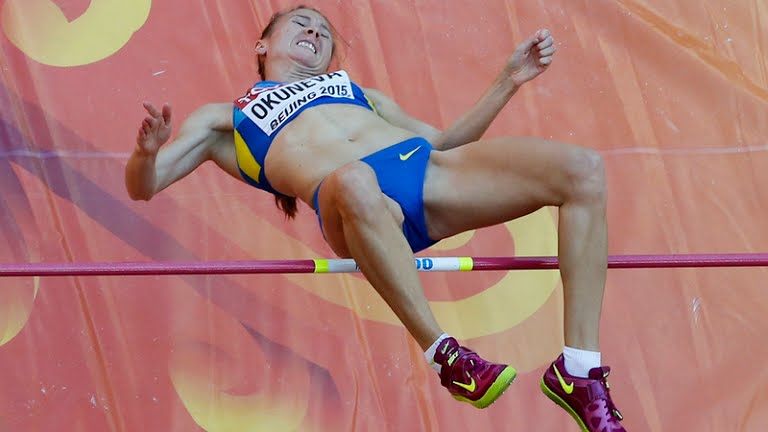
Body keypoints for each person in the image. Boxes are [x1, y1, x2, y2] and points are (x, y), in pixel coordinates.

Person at [125, 5, 626, 431]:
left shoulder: (358, 93)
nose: (314, 32)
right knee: (354, 178)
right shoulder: (226, 118)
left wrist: (507, 81)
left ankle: (579, 370)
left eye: (323, 31)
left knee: (583, 170)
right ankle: (445, 355)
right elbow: (143, 188)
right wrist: (146, 154)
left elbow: (445, 143)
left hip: (428, 176)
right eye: (301, 23)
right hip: (354, 203)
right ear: (262, 45)